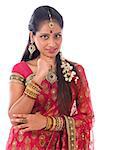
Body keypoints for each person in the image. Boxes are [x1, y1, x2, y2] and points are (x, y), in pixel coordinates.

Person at [6, 5, 94, 150]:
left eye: (57, 36)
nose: (52, 44)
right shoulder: (22, 69)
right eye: (44, 36)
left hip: (60, 145)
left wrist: (48, 123)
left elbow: (86, 118)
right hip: (25, 145)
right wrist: (39, 77)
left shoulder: (76, 71)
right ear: (32, 37)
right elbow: (15, 117)